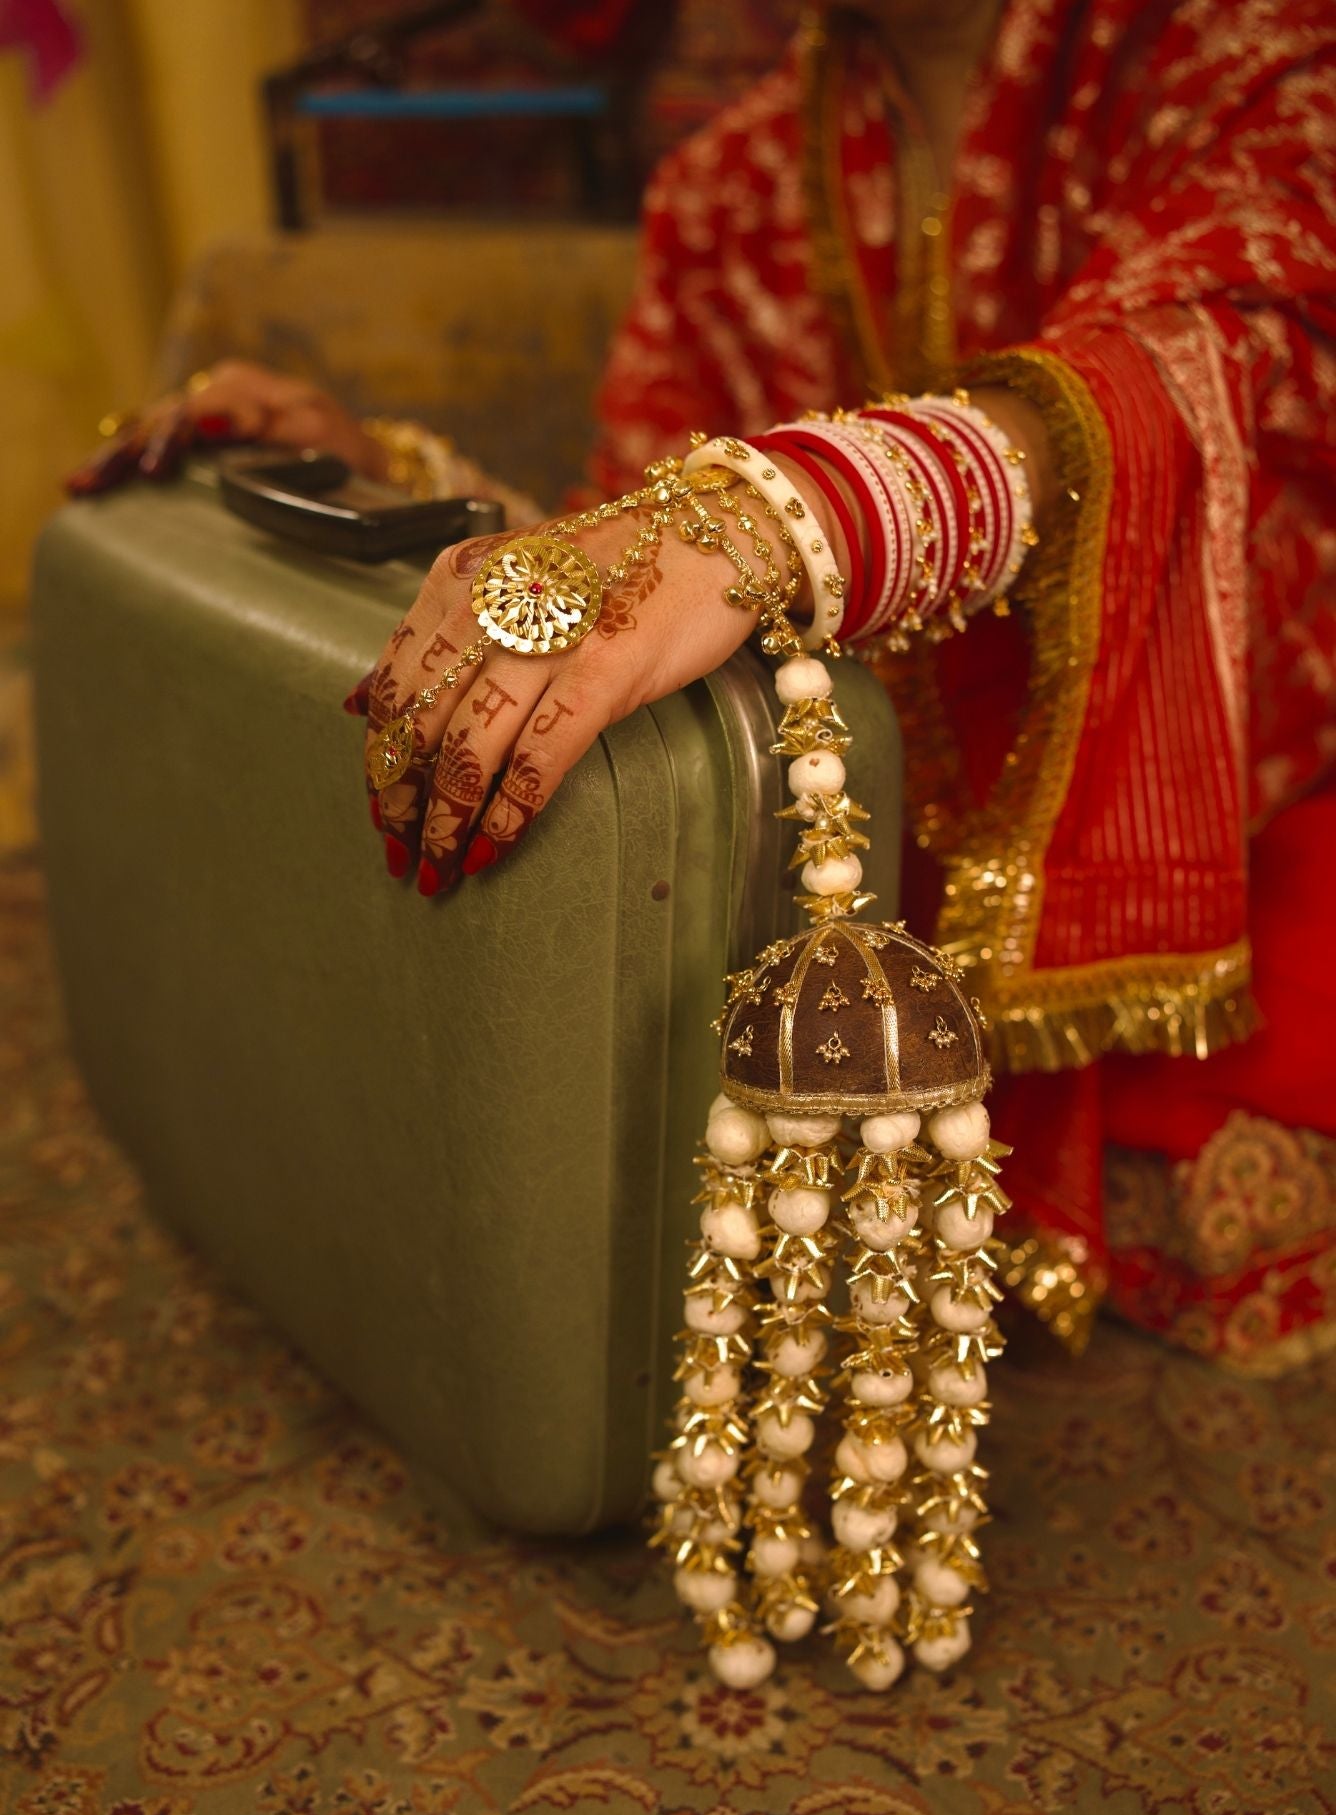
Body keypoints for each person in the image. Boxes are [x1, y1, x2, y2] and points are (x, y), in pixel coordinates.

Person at [69, 0, 1335, 1369]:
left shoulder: (1244, 53)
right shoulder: (729, 183)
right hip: (859, 860)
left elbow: (1214, 355)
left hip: (1194, 837)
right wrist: (383, 488)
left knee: (1218, 1206)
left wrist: (778, 517)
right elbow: (643, 565)